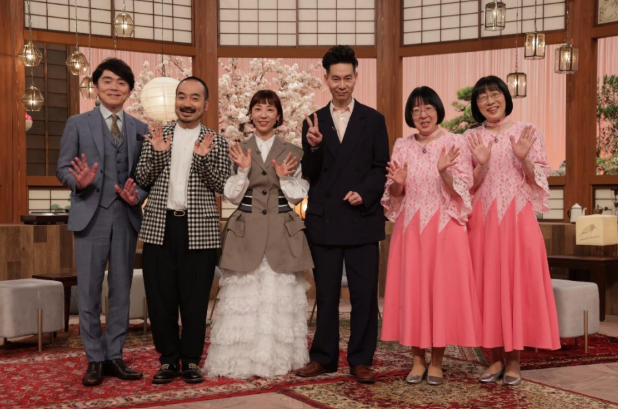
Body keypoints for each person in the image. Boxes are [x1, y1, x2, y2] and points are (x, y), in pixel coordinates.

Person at [295, 45, 390, 384]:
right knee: (326, 294)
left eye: (347, 78)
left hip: (362, 217)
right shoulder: (313, 121)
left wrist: (365, 192)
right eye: (335, 78)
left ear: (356, 77)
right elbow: (309, 173)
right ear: (326, 79)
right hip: (324, 220)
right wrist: (314, 147)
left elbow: (381, 167)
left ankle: (361, 360)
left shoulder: (373, 120)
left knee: (364, 295)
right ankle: (323, 357)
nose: (341, 85)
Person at [204, 90, 314, 379]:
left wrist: (285, 177)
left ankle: (276, 360)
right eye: (258, 109)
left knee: (278, 296)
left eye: (270, 109)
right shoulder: (238, 149)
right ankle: (241, 362)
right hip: (246, 231)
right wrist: (242, 172)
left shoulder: (292, 151)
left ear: (278, 116)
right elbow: (230, 195)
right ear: (250, 115)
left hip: (282, 231)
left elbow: (298, 196)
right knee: (245, 296)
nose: (263, 114)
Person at [380, 86, 482, 385]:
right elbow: (394, 193)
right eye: (416, 110)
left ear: (438, 110)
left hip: (445, 227)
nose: (422, 114)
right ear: (410, 115)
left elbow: (463, 190)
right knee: (413, 291)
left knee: (442, 292)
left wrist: (444, 172)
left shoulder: (455, 143)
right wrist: (398, 183)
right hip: (410, 227)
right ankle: (416, 359)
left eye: (427, 108)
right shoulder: (402, 145)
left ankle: (437, 360)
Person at [56, 58, 148, 386]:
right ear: (96, 87)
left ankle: (115, 356)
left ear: (129, 91)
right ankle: (94, 358)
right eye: (107, 81)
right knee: (89, 291)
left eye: (121, 83)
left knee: (122, 290)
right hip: (90, 216)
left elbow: (146, 175)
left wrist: (137, 194)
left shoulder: (140, 129)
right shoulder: (77, 124)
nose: (114, 87)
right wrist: (77, 183)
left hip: (125, 216)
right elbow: (63, 168)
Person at [135, 76, 231, 385]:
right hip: (159, 227)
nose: (186, 103)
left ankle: (190, 359)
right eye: (181, 96)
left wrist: (202, 161)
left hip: (200, 228)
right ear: (175, 101)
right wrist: (159, 152)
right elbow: (142, 178)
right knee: (160, 299)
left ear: (205, 104)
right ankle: (167, 360)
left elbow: (223, 185)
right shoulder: (156, 135)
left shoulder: (217, 141)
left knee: (195, 299)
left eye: (194, 98)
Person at [465, 76, 560, 386]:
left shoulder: (527, 131)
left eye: (495, 94)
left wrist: (523, 158)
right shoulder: (470, 137)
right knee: (487, 286)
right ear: (476, 105)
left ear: (506, 97)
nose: (489, 101)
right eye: (482, 97)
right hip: (482, 221)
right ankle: (493, 359)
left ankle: (515, 360)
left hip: (518, 218)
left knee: (518, 284)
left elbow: (538, 180)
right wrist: (481, 164)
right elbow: (466, 186)